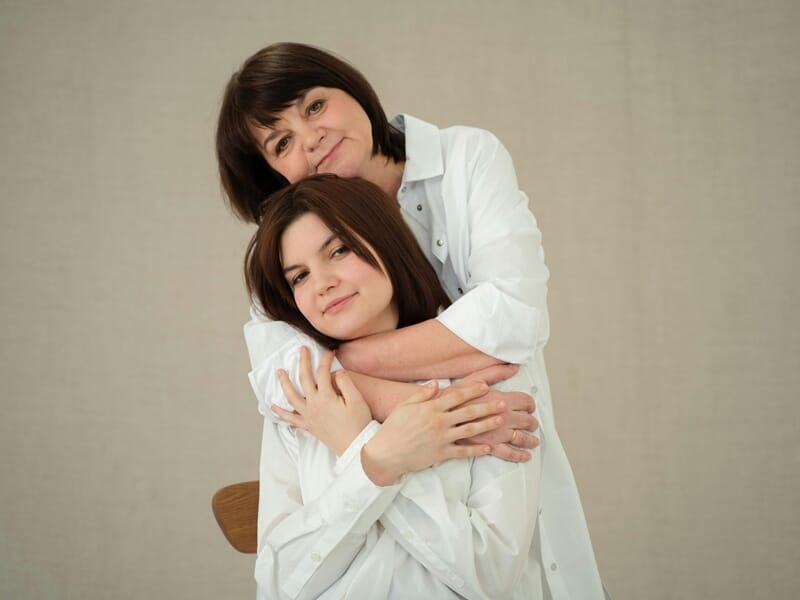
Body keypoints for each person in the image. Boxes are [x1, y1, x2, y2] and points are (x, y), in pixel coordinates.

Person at [217, 42, 606, 599]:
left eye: (314, 107)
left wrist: (347, 371)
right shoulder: (286, 261)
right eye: (281, 143)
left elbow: (514, 320)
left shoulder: (466, 158)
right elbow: (286, 378)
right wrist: (443, 425)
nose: (310, 139)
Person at [246, 174, 544, 599]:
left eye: (339, 250)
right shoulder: (302, 401)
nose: (322, 283)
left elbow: (490, 573)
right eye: (299, 277)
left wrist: (363, 452)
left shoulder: (490, 376)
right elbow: (278, 585)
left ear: (384, 240)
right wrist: (374, 464)